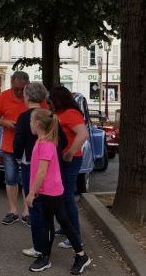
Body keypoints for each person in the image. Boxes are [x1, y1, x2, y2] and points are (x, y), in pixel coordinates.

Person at [25, 108, 91, 274]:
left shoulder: (45, 144)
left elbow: (42, 171)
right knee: (56, 222)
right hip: (49, 189)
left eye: (31, 121)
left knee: (58, 223)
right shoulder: (42, 142)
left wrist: (32, 192)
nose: (30, 124)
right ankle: (50, 256)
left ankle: (77, 256)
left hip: (50, 190)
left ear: (38, 124)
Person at [14, 83, 67, 257]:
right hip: (52, 169)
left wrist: (17, 156)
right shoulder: (49, 115)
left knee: (35, 207)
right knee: (49, 210)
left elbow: (18, 142)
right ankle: (50, 244)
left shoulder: (24, 117)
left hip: (32, 165)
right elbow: (64, 141)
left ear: (27, 97)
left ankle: (39, 247)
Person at [50, 86, 89, 249]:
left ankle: (75, 236)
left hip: (70, 161)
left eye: (51, 99)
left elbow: (83, 134)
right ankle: (67, 228)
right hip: (62, 160)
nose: (49, 102)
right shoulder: (60, 114)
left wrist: (71, 152)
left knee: (67, 198)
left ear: (58, 99)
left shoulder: (70, 114)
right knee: (62, 197)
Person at [0, 71, 33, 225]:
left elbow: (44, 115)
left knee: (28, 179)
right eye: (16, 88)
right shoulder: (3, 96)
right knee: (11, 178)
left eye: (22, 89)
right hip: (9, 145)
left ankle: (27, 211)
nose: (19, 92)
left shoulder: (33, 95)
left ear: (27, 85)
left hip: (29, 146)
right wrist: (6, 123)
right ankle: (12, 210)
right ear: (11, 85)